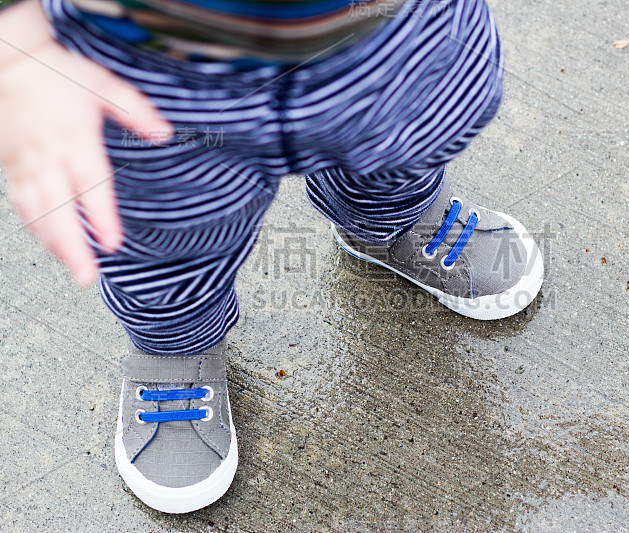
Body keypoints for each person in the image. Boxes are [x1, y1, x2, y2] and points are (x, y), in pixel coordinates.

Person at [0, 0, 543, 513]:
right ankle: (174, 340)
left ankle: (390, 220)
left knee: (417, 120)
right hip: (153, 55)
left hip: (387, 26)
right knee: (165, 225)